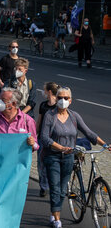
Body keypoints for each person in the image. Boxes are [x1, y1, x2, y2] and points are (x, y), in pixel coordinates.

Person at [39, 87, 110, 228]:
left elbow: (89, 133)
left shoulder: (74, 116)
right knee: (55, 187)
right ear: (56, 99)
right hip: (52, 156)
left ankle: (54, 212)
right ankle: (57, 219)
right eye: (60, 98)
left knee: (63, 188)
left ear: (70, 101)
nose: (62, 101)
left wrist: (105, 144)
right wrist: (60, 147)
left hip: (68, 157)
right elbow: (44, 138)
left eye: (66, 98)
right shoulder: (49, 115)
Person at [36, 82, 60, 198]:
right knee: (41, 164)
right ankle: (43, 186)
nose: (43, 92)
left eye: (44, 90)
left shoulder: (58, 106)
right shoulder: (43, 105)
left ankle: (53, 187)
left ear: (49, 92)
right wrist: (35, 134)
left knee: (54, 164)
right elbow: (39, 121)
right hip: (42, 139)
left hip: (55, 139)